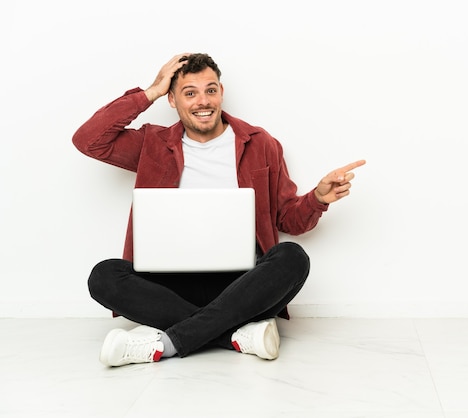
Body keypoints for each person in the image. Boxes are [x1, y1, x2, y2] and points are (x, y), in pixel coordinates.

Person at [72, 52, 366, 367]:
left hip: (240, 286)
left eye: (210, 90)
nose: (203, 101)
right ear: (172, 100)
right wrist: (149, 93)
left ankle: (167, 342)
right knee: (104, 276)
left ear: (221, 93)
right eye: (190, 93)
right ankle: (235, 336)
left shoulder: (261, 143)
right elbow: (88, 140)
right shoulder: (152, 143)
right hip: (165, 285)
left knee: (292, 258)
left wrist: (318, 199)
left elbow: (288, 219)